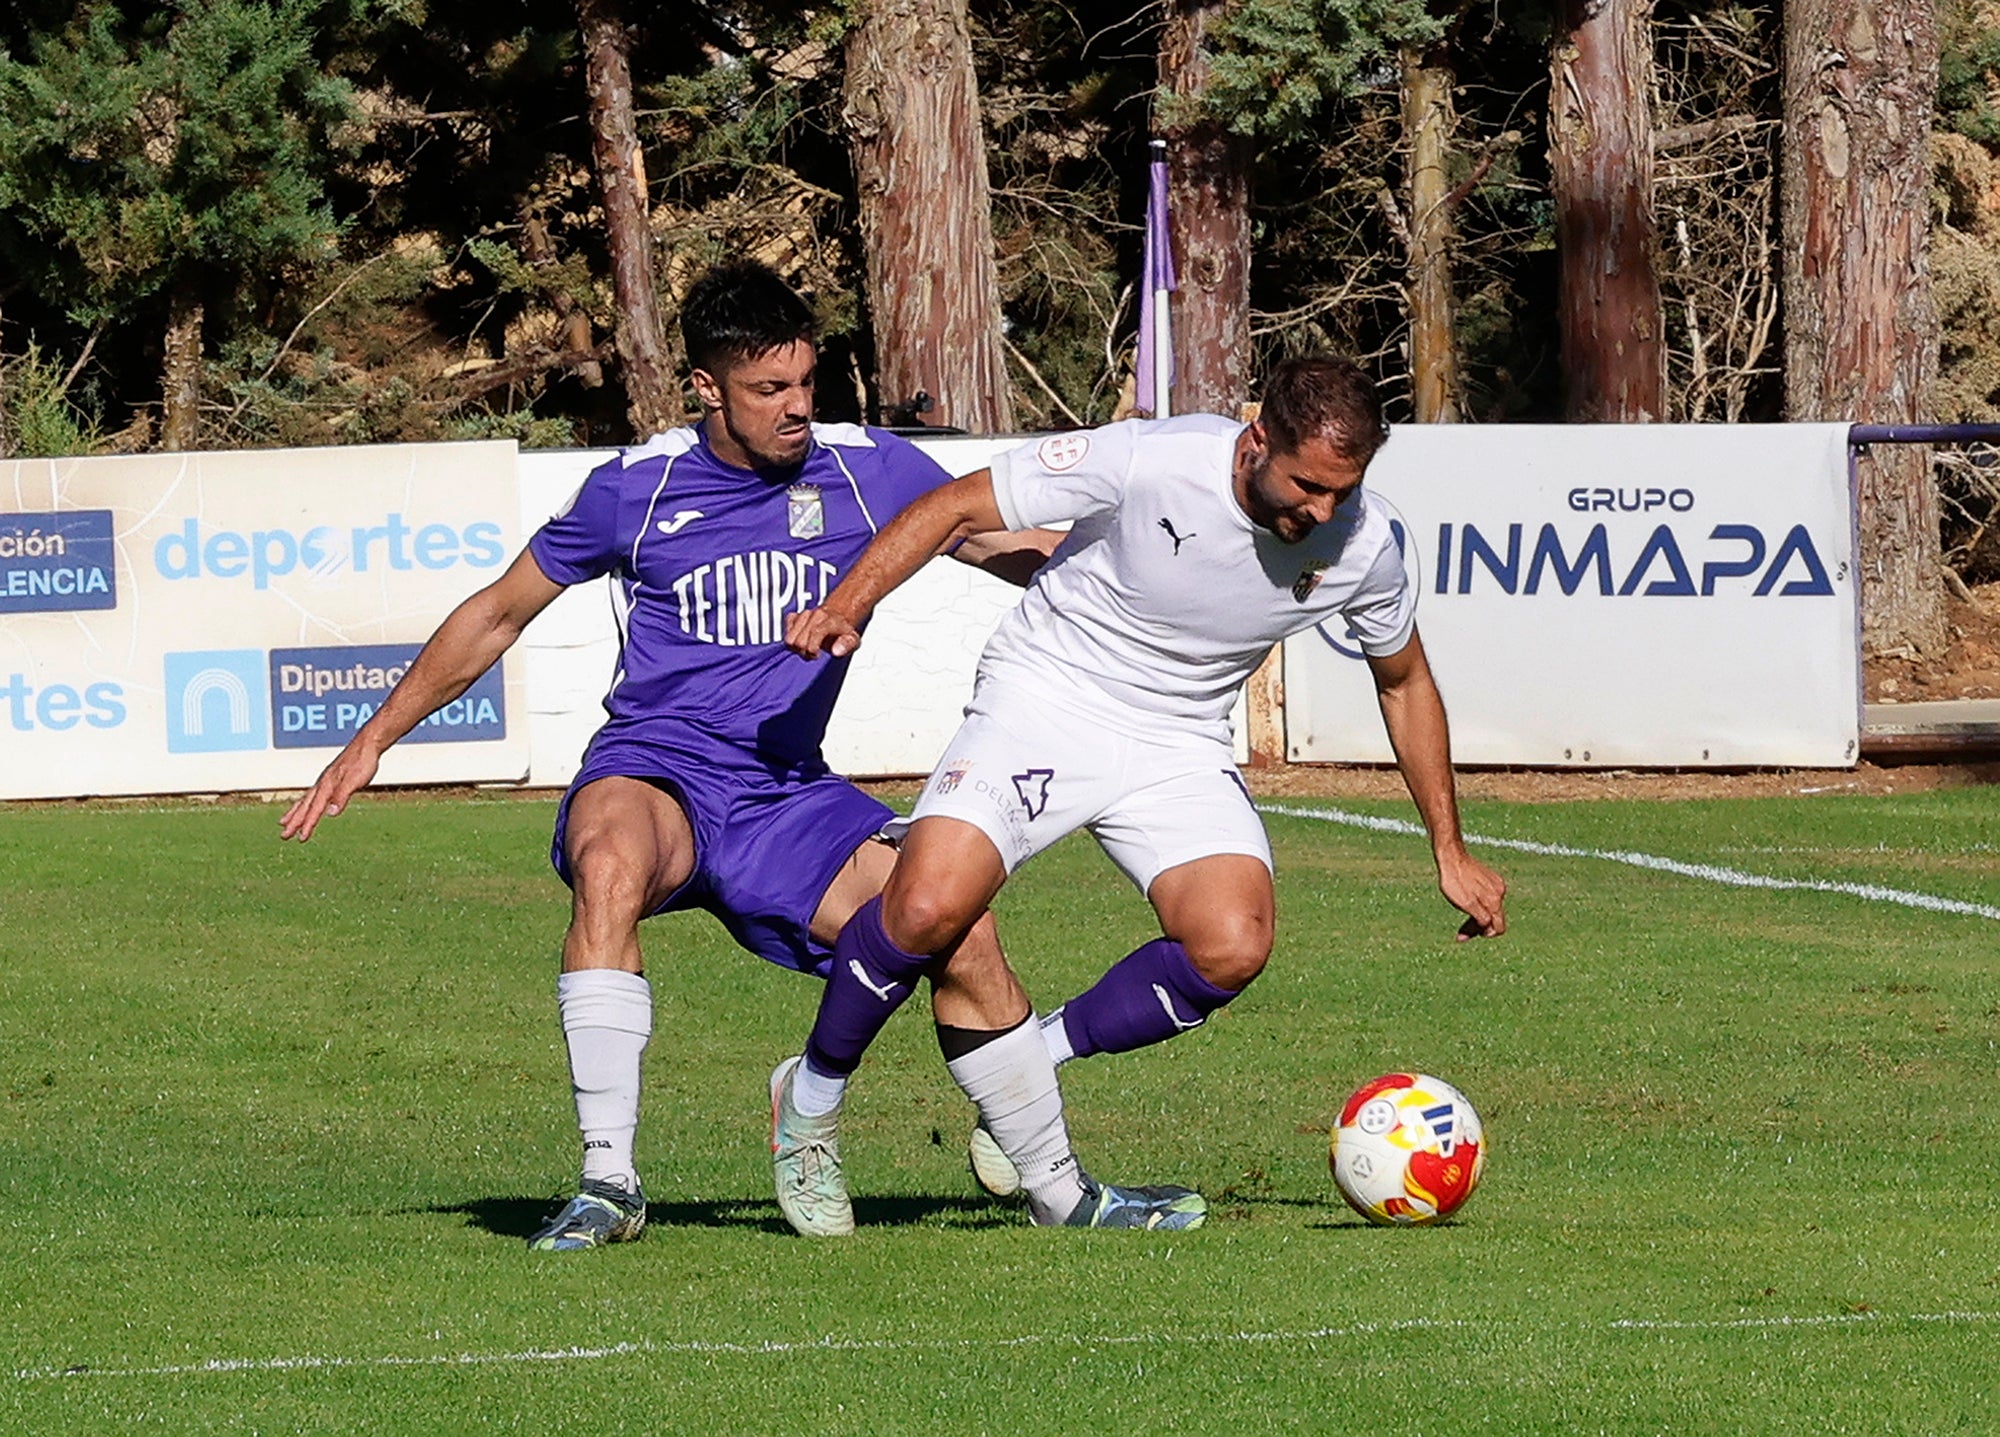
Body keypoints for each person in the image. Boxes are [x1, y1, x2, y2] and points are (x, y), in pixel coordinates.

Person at [279, 259, 1205, 1248]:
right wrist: (371, 739)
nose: (795, 408)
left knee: (957, 930)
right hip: (658, 767)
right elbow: (498, 613)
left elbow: (1004, 549)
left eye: (805, 383)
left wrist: (1162, 605)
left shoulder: (868, 469)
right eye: (768, 390)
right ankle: (608, 1185)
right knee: (608, 864)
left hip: (787, 794)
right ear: (706, 388)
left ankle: (1060, 1191)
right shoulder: (632, 491)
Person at [783, 356, 1509, 1196]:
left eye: (1344, 491)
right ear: (1256, 440)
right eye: (1308, 484)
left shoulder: (1366, 545)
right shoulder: (1153, 458)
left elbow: (1404, 679)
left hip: (1179, 740)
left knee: (1231, 944)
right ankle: (807, 1100)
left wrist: (1448, 849)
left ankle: (1035, 1064)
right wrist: (848, 604)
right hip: (1046, 697)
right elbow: (955, 504)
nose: (1323, 511)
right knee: (924, 905)